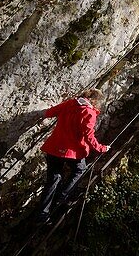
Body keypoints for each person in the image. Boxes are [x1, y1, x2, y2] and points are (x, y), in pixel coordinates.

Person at [36, 88, 110, 223]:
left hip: (54, 148)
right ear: (95, 101)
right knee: (80, 169)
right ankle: (63, 196)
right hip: (72, 151)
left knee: (53, 179)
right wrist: (101, 148)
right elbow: (88, 135)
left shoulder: (70, 103)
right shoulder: (89, 112)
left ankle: (43, 213)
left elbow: (50, 112)